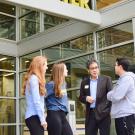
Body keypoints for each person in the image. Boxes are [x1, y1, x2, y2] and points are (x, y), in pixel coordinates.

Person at [79, 59, 112, 135]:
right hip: (90, 114)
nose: (95, 70)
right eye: (92, 68)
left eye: (96, 67)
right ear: (88, 70)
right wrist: (86, 98)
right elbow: (81, 97)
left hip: (104, 114)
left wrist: (108, 111)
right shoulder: (84, 82)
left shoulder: (106, 79)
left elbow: (111, 97)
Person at [107, 58, 135, 135]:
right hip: (121, 115)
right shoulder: (121, 80)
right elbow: (114, 94)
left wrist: (111, 95)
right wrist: (113, 94)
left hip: (125, 115)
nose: (114, 67)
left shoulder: (127, 79)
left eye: (115, 65)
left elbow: (116, 97)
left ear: (120, 66)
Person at [45, 62, 73, 135]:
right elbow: (41, 98)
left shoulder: (64, 84)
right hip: (53, 114)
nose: (67, 70)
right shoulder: (51, 84)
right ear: (60, 71)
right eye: (65, 69)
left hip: (62, 114)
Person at [22, 56, 48, 135]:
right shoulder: (34, 79)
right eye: (45, 65)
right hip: (34, 116)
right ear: (40, 66)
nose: (47, 67)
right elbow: (36, 101)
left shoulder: (34, 78)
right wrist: (42, 119)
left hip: (34, 116)